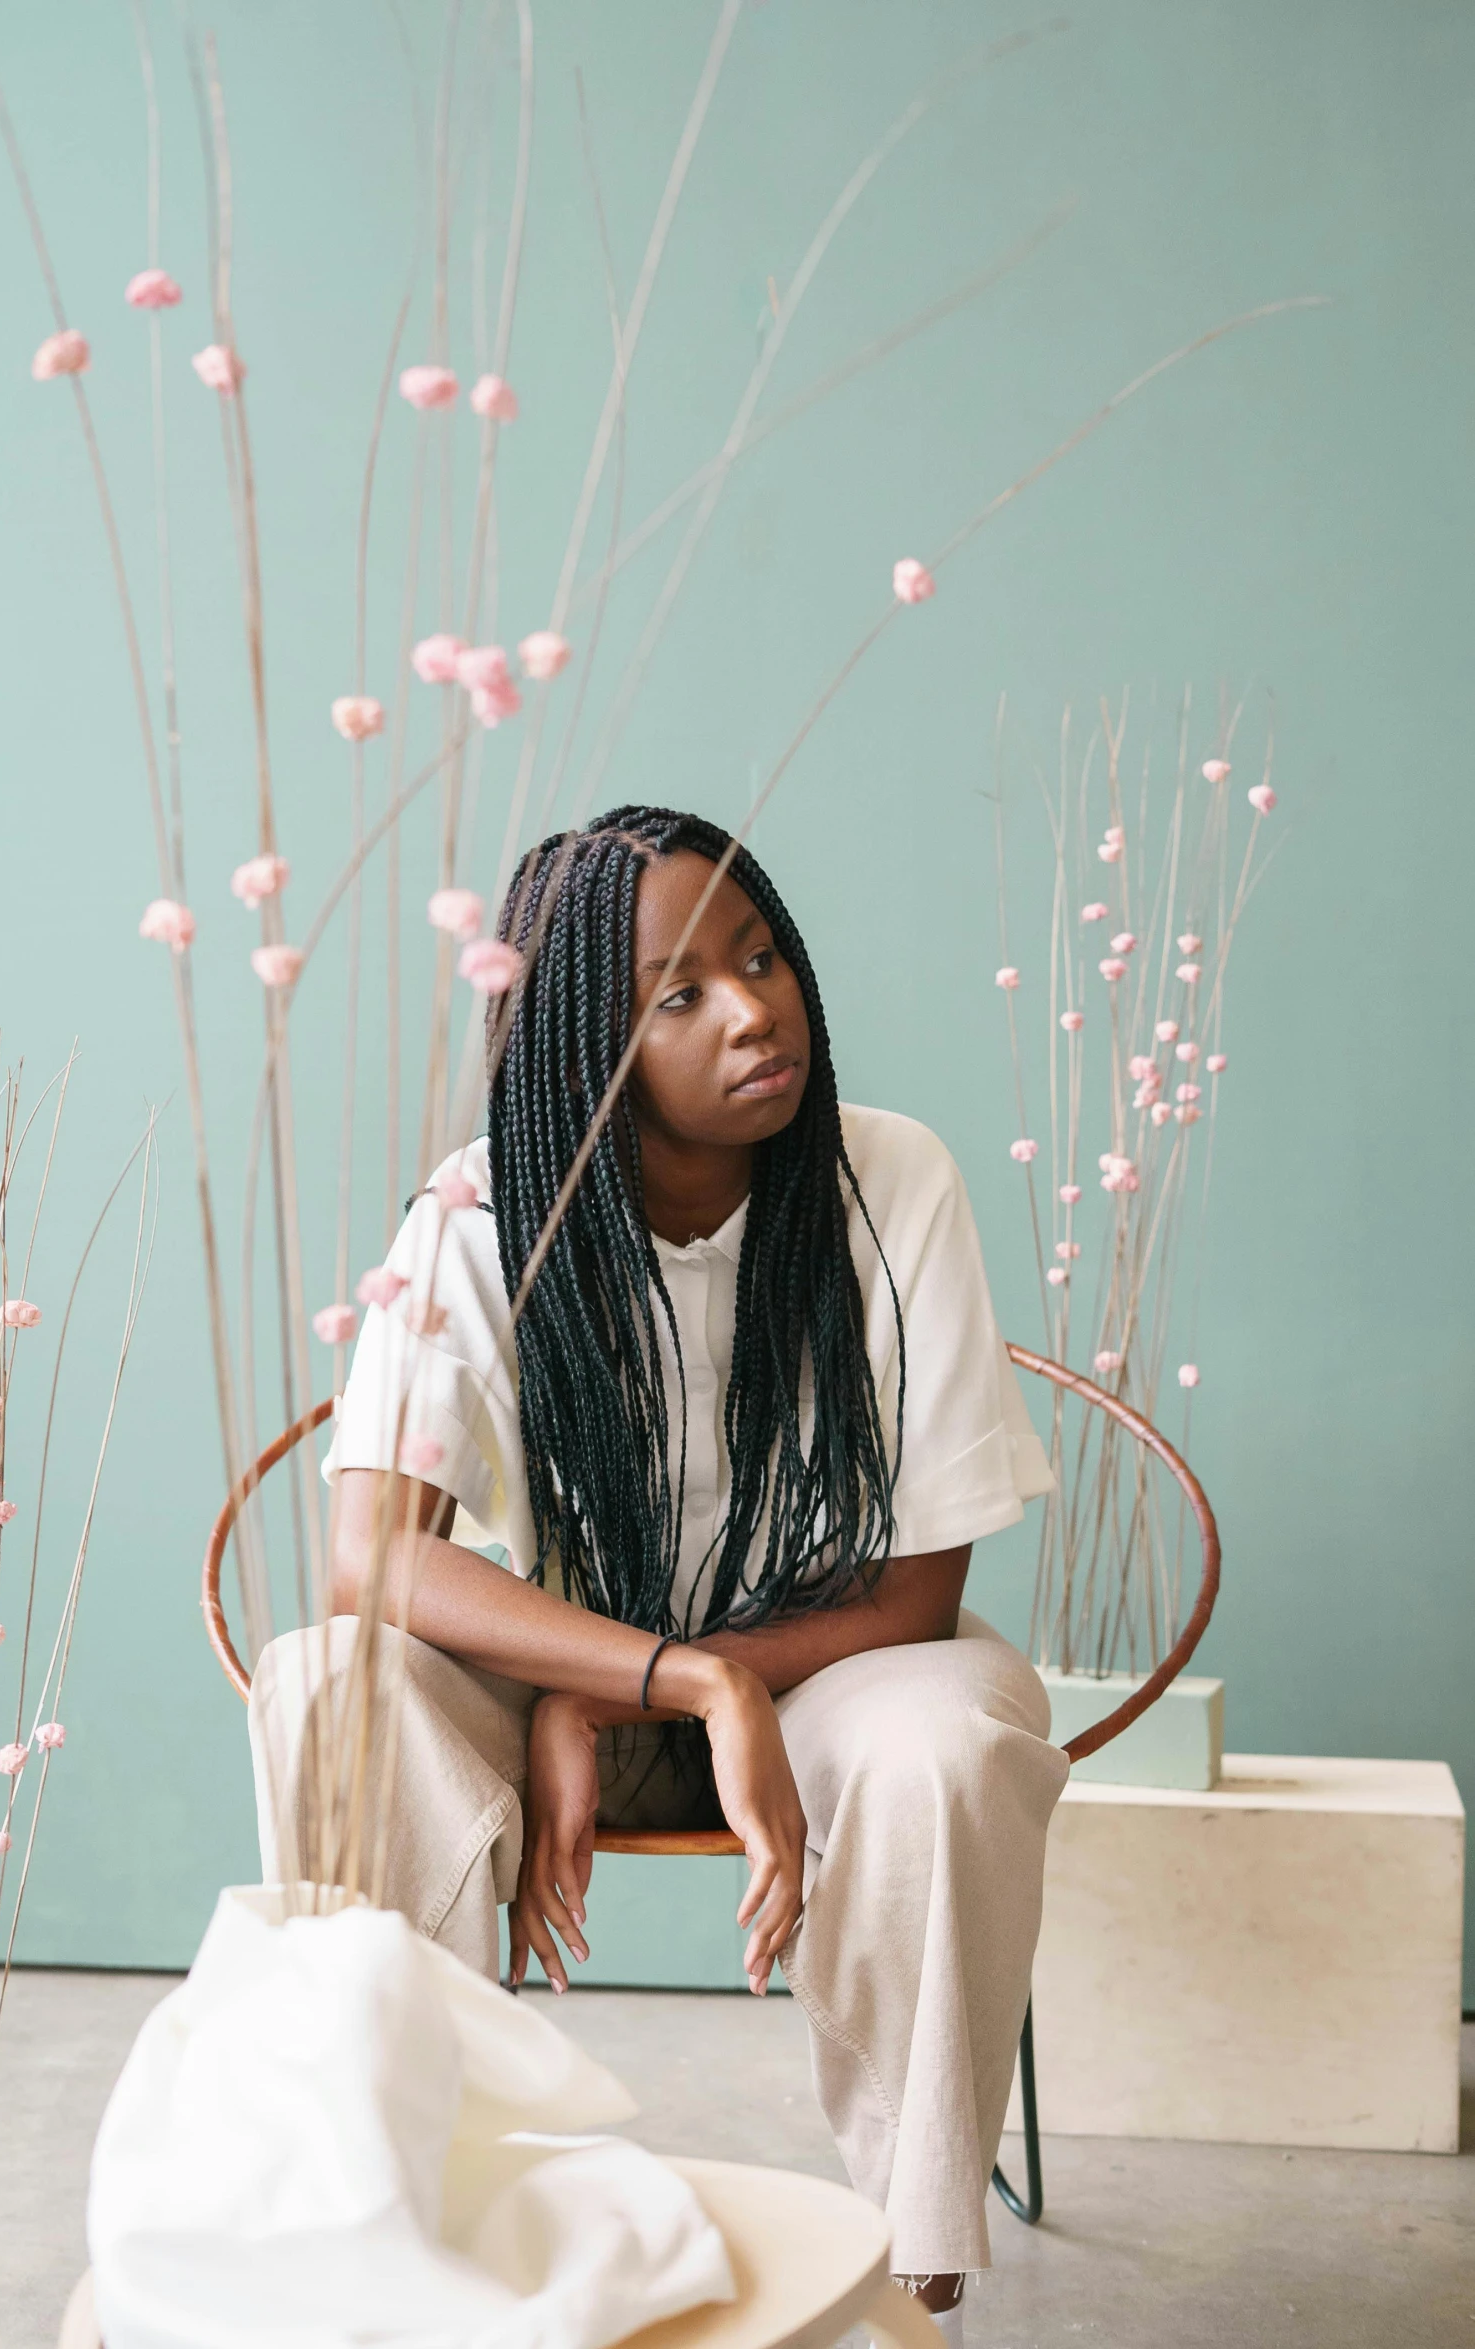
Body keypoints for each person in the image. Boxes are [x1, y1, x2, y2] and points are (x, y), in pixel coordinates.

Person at [250, 806, 1067, 2339]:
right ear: (584, 1045)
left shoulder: (895, 1183)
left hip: (828, 1688)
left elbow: (913, 1601)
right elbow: (372, 1554)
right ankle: (393, 2200)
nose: (755, 1008)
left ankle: (909, 2256)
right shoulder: (488, 1215)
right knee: (325, 1682)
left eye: (759, 956)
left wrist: (668, 1698)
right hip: (590, 1697)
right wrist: (651, 1681)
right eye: (678, 993)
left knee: (952, 1725)